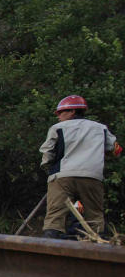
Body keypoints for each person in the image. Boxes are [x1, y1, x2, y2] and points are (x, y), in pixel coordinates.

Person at [39, 95, 120, 238]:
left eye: (60, 112)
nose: (58, 116)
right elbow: (117, 150)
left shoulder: (57, 128)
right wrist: (106, 154)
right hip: (92, 177)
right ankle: (98, 249)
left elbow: (47, 153)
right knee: (94, 218)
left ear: (72, 111)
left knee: (55, 217)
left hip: (62, 177)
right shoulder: (100, 128)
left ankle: (50, 248)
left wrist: (48, 169)